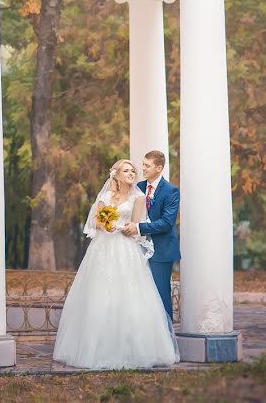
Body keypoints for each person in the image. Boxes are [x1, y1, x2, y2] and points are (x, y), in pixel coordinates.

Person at [52, 159, 179, 369]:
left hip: (125, 247)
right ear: (116, 175)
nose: (131, 173)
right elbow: (96, 221)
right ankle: (96, 348)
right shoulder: (105, 196)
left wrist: (126, 228)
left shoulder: (138, 197)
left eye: (133, 171)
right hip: (103, 248)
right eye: (126, 170)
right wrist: (106, 225)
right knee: (98, 294)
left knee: (129, 295)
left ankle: (132, 349)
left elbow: (137, 224)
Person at [119, 150, 180, 322]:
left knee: (160, 295)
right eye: (143, 164)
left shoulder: (171, 191)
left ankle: (167, 340)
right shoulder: (138, 187)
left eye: (147, 165)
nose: (143, 168)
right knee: (141, 296)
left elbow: (167, 223)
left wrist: (138, 228)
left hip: (161, 251)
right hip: (136, 250)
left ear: (159, 168)